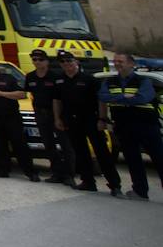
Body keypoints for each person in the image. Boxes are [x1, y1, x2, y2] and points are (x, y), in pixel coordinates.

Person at [52, 52, 121, 195]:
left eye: (69, 60)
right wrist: (57, 118)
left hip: (91, 120)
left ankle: (115, 184)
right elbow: (57, 101)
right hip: (71, 120)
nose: (66, 64)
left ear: (76, 61)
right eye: (63, 61)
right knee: (81, 152)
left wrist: (102, 119)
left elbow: (101, 100)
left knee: (101, 152)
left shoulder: (89, 79)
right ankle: (88, 181)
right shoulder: (59, 80)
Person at [98, 52, 163, 201]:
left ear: (131, 64)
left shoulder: (143, 81)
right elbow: (103, 96)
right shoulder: (110, 81)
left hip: (146, 125)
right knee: (132, 159)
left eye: (121, 61)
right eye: (116, 61)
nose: (118, 64)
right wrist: (125, 97)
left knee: (159, 158)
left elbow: (143, 98)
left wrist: (117, 99)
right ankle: (140, 191)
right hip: (123, 125)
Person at [23, 50, 72, 184]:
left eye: (40, 59)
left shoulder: (56, 76)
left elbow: (61, 97)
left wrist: (59, 117)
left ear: (47, 61)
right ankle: (56, 173)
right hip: (40, 113)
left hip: (57, 114)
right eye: (34, 59)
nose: (37, 62)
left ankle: (69, 175)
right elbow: (27, 94)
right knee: (49, 144)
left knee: (65, 144)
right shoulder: (31, 76)